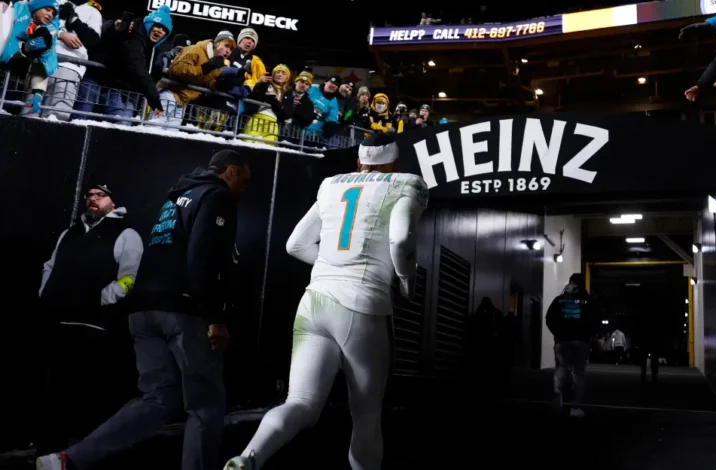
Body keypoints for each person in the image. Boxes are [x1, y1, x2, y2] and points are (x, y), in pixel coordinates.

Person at [223, 133, 429, 470]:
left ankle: (248, 457)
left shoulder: (332, 184)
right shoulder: (405, 183)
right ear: (393, 163)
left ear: (359, 163)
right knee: (366, 415)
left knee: (300, 403)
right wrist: (406, 283)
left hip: (315, 301)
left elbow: (295, 244)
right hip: (363, 303)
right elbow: (401, 237)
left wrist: (331, 265)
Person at [37, 149, 251, 470]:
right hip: (183, 311)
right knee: (205, 405)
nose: (244, 190)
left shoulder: (175, 198)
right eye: (244, 181)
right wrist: (215, 317)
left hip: (142, 311)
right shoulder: (216, 196)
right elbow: (203, 256)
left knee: (158, 399)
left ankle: (68, 460)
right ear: (230, 171)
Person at [37, 184, 143, 456]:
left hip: (96, 328)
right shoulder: (70, 233)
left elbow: (130, 278)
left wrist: (101, 298)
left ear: (113, 202)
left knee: (90, 394)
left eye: (100, 195)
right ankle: (50, 454)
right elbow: (50, 265)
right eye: (90, 196)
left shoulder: (126, 234)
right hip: (59, 323)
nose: (93, 199)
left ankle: (87, 455)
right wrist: (46, 291)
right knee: (54, 392)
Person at [545, 273, 597, 418]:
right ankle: (576, 406)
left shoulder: (559, 299)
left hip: (562, 340)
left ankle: (557, 391)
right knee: (578, 372)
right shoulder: (588, 300)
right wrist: (590, 336)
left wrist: (557, 333)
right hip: (581, 341)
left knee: (561, 367)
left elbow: (549, 318)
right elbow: (595, 320)